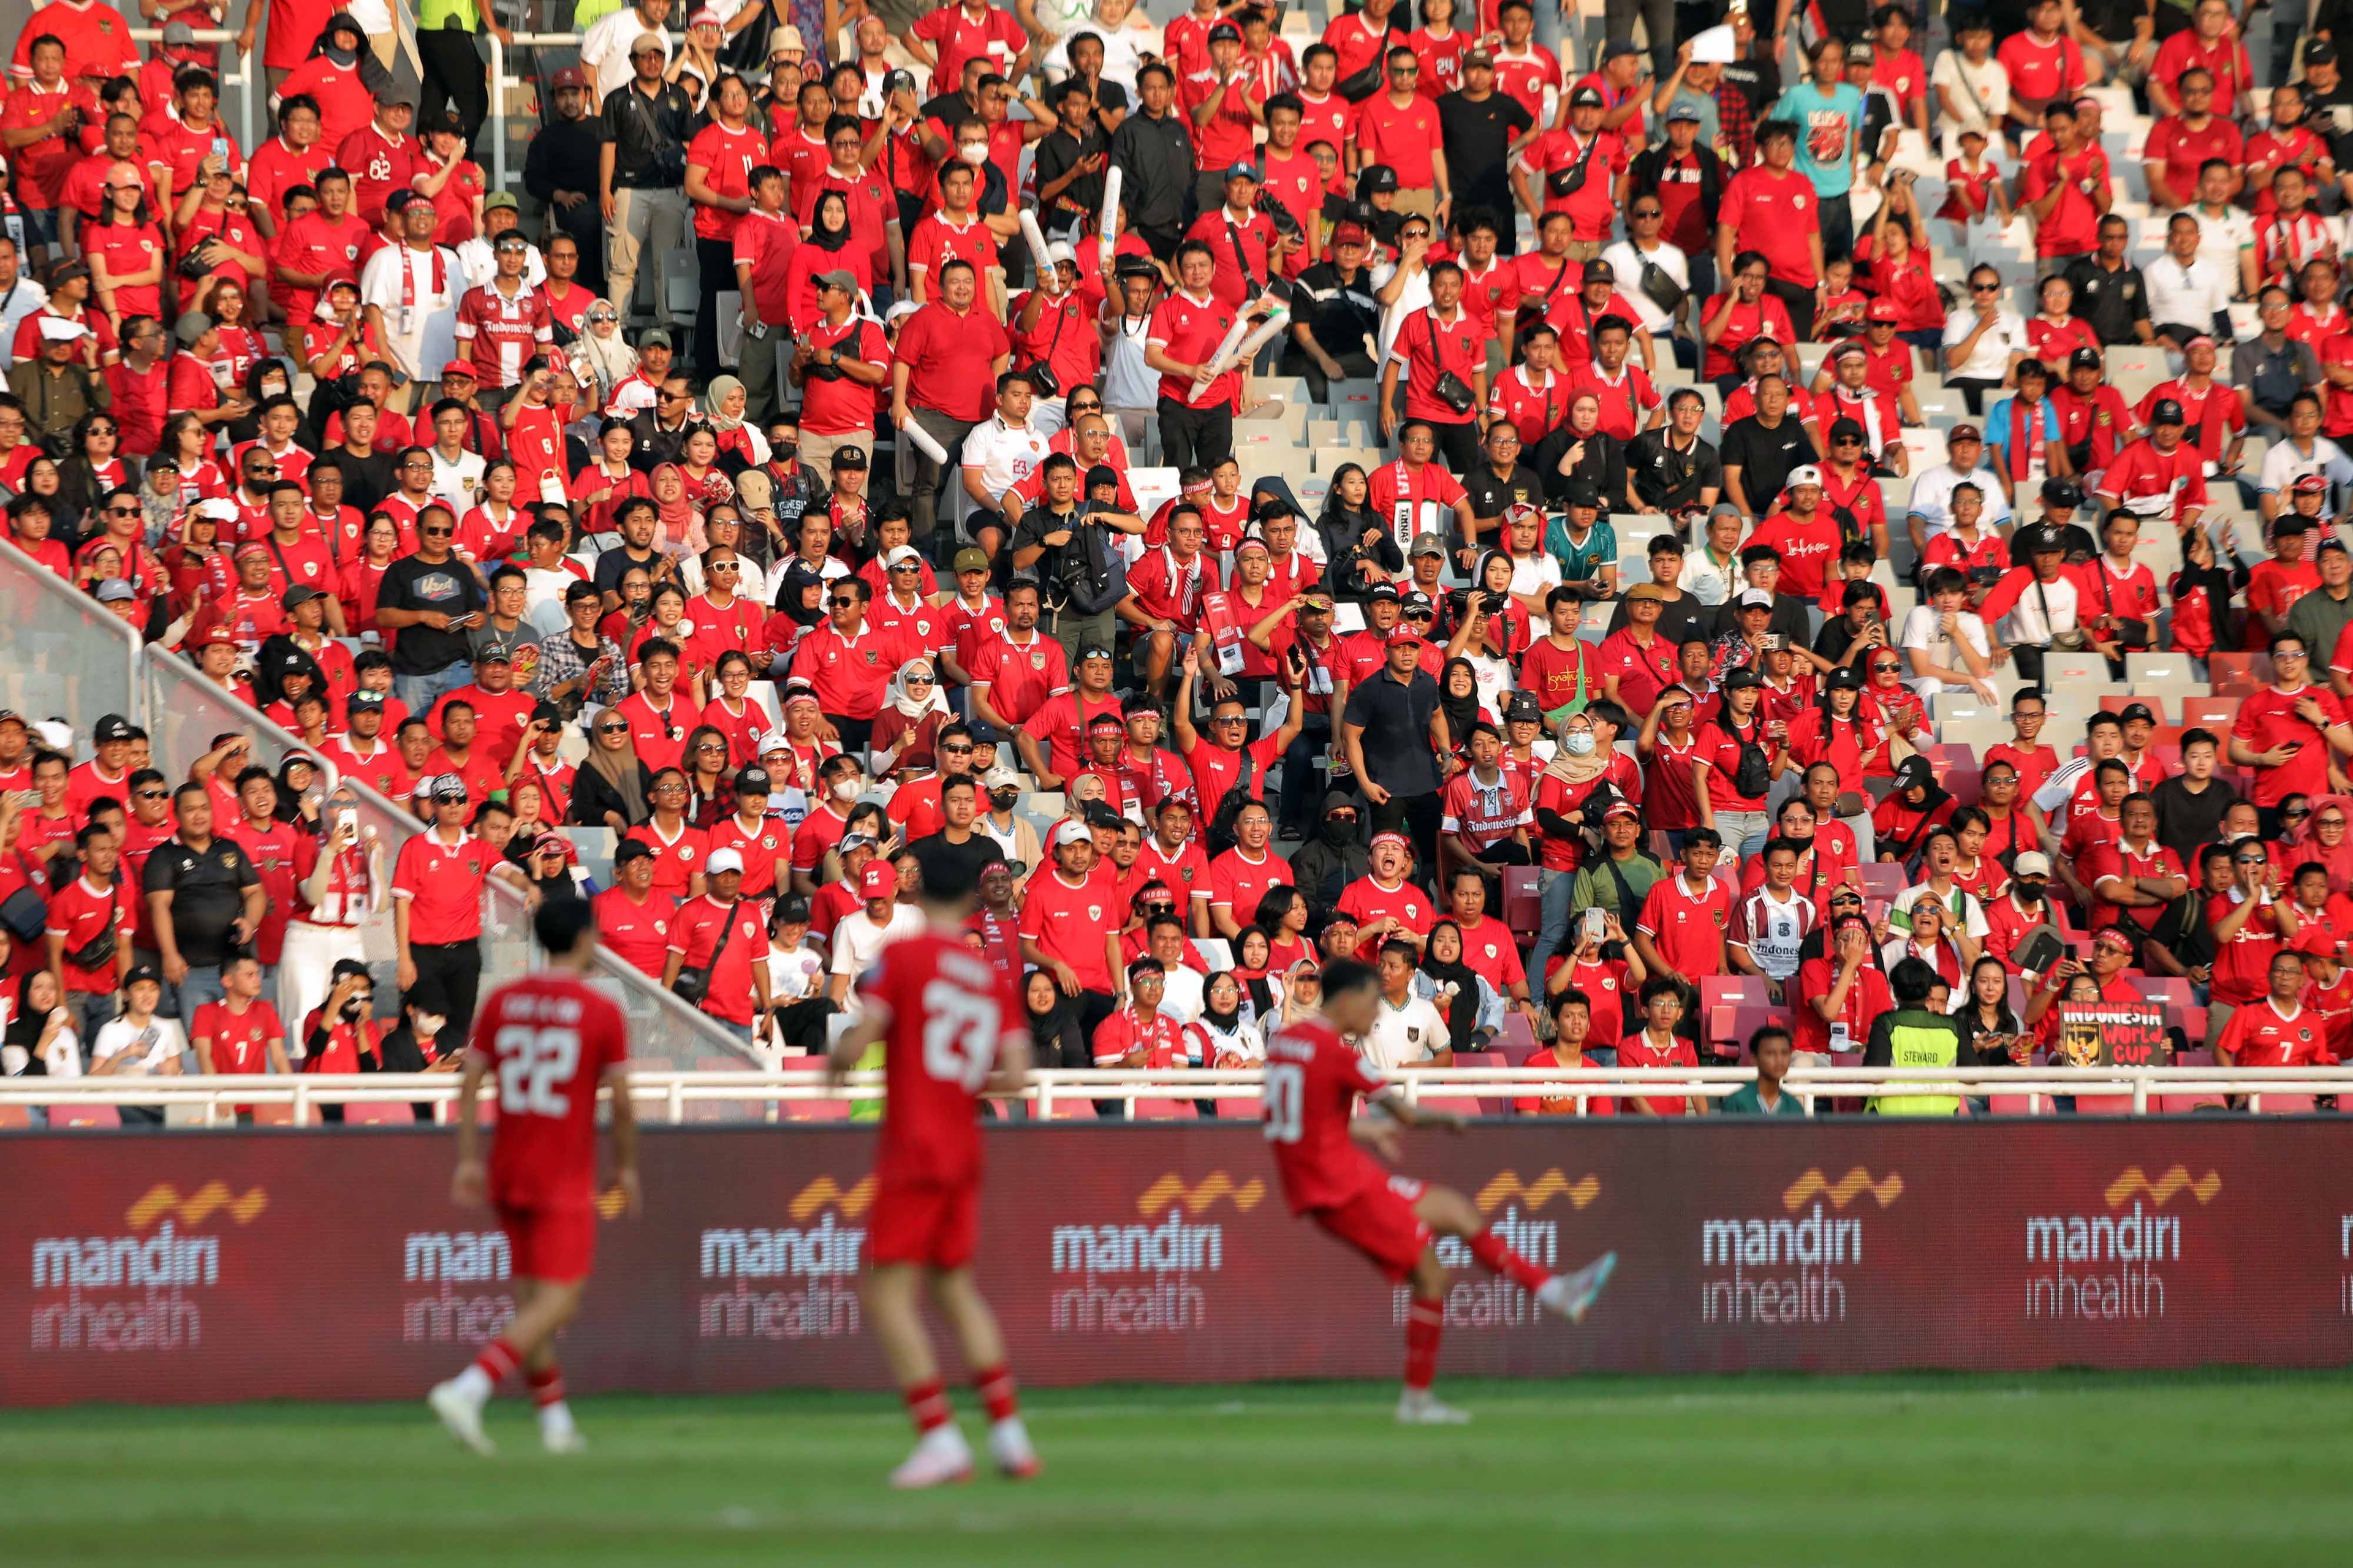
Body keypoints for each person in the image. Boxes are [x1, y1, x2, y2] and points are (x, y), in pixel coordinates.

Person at [1263, 955, 1615, 1423]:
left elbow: (1290, 1121)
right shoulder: (1338, 1053)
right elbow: (1406, 1112)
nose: (1374, 1014)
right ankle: (1418, 1400)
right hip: (1338, 1186)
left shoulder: (1288, 1043)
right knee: (1431, 1277)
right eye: (1371, 1001)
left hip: (1329, 1173)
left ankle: (1554, 1291)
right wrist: (1450, 1117)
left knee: (1454, 1209)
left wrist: (1360, 1134)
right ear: (1347, 999)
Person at [824, 855, 1038, 1487]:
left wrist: (840, 1057)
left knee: (887, 1290)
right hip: (965, 1140)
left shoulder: (908, 961)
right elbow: (1020, 1076)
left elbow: (868, 1034)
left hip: (915, 1142)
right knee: (954, 1288)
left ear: (917, 890)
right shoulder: (988, 976)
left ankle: (939, 1436)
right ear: (973, 896)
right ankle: (1010, 1437)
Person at [429, 900, 637, 1458]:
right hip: (563, 1168)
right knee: (561, 1299)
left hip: (508, 1164)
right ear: (587, 938)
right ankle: (471, 1386)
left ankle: (555, 1422)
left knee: (531, 1303)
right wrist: (628, 1168)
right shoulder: (600, 1011)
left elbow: (469, 1082)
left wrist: (469, 1157)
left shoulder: (504, 1000)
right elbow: (620, 1104)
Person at [1719, 1024, 1805, 1116]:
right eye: (1770, 1053)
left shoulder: (1795, 1107)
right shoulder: (1736, 1104)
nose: (1779, 1060)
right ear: (1754, 1059)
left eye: (1784, 1053)